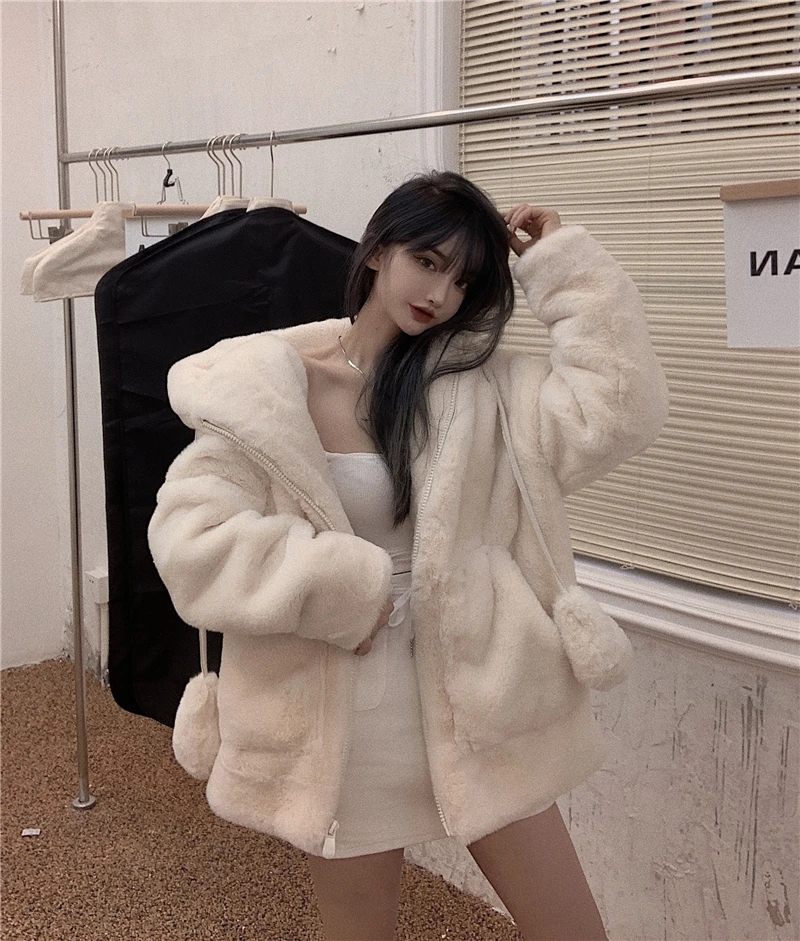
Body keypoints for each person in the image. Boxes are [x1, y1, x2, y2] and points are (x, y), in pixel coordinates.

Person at [148, 170, 670, 940]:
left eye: (463, 280)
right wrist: (339, 589)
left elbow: (621, 412)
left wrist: (562, 263)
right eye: (427, 261)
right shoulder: (263, 390)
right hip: (344, 719)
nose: (440, 293)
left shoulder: (485, 389)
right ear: (378, 251)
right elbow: (191, 539)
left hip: (481, 703)